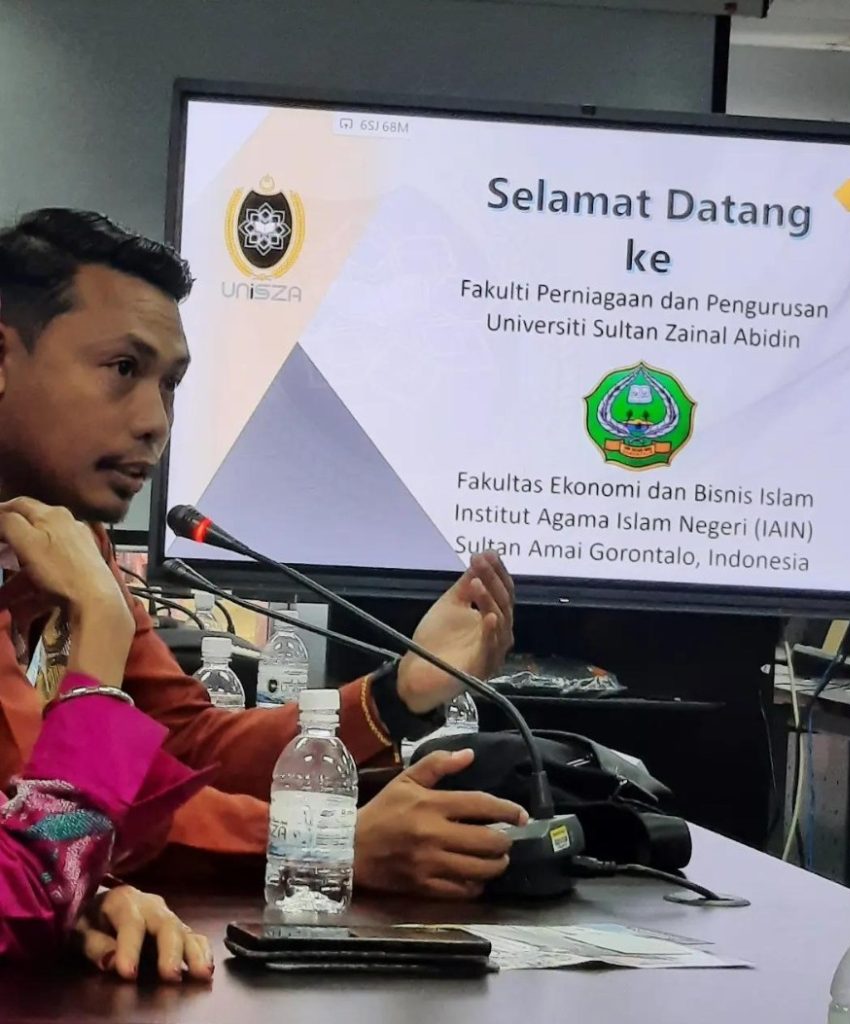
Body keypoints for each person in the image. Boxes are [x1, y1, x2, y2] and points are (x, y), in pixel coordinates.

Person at [0, 208, 527, 901]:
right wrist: (316, 841)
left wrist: (397, 694)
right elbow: (40, 846)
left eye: (169, 385)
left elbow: (179, 752)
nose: (154, 422)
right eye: (123, 369)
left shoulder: (73, 540)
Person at [0, 503, 213, 979]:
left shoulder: (76, 546)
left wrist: (85, 895)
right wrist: (100, 626)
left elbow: (187, 733)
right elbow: (28, 882)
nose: (151, 466)